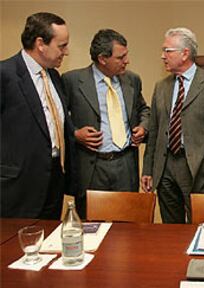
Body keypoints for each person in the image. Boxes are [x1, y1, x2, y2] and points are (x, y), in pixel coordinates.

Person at [141, 27, 204, 223]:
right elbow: (155, 130)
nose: (162, 56)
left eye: (167, 51)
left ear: (185, 53)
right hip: (164, 166)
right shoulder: (162, 86)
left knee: (200, 224)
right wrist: (148, 169)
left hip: (196, 167)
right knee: (170, 229)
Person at [62, 29, 150, 218]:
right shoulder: (72, 81)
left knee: (128, 225)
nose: (127, 61)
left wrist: (143, 126)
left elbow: (144, 109)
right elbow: (58, 118)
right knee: (91, 226)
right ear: (103, 58)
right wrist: (75, 134)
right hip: (91, 167)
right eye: (121, 57)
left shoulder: (132, 80)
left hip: (125, 164)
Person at [1, 12, 76, 219]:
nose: (66, 52)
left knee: (48, 241)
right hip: (17, 187)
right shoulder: (5, 75)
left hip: (53, 180)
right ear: (40, 43)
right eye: (62, 46)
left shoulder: (53, 75)